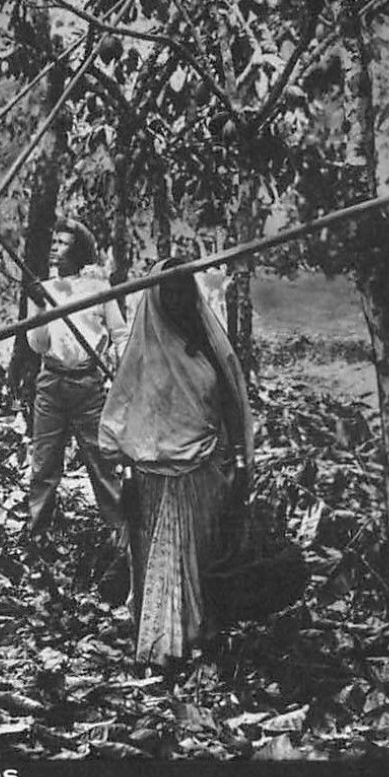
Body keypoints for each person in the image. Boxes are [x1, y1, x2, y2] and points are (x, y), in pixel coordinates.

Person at [98, 259, 252, 665]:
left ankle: (197, 632)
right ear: (157, 296)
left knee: (196, 555)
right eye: (171, 291)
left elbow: (231, 400)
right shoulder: (144, 348)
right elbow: (125, 409)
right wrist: (124, 463)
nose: (179, 299)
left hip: (201, 464)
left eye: (185, 290)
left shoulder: (208, 342)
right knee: (157, 554)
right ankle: (161, 642)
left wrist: (239, 458)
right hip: (153, 470)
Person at [23, 219, 126, 536]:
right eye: (54, 242)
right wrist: (40, 307)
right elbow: (37, 345)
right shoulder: (44, 290)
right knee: (44, 463)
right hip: (51, 383)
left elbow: (120, 334)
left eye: (64, 243)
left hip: (88, 385)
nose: (55, 248)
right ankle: (37, 532)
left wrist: (121, 375)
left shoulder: (98, 289)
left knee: (101, 462)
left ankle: (121, 531)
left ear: (79, 251)